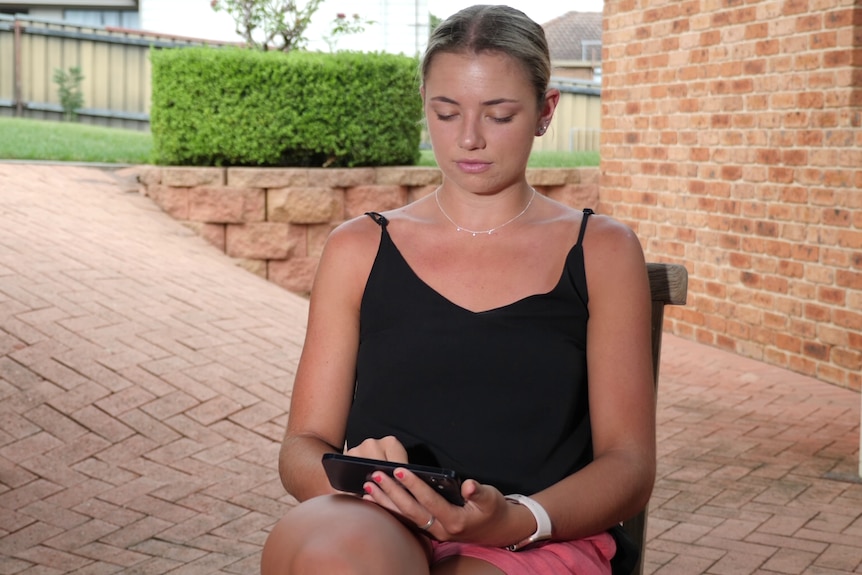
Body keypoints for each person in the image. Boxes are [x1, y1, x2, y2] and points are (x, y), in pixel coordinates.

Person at [260, 5, 655, 574]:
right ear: (425, 105)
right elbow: (303, 444)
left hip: (535, 535)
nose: (469, 139)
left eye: (499, 115)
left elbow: (630, 463)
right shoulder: (359, 248)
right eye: (447, 113)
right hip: (382, 523)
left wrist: (517, 519)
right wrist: (357, 477)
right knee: (332, 553)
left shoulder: (602, 251)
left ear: (545, 112)